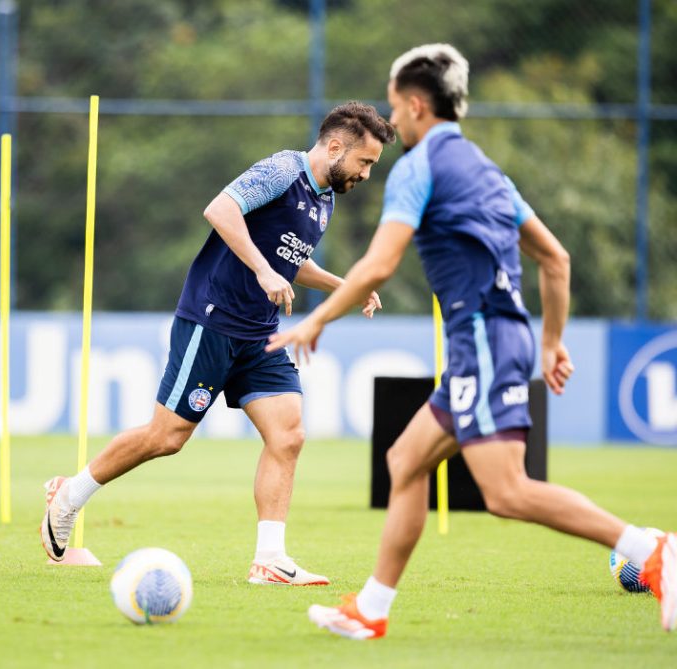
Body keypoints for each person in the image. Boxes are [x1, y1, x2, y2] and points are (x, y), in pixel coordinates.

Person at [267, 43, 676, 636]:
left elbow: (380, 264)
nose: (394, 121)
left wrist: (317, 319)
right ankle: (372, 611)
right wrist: (551, 342)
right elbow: (555, 260)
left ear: (414, 104)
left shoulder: (417, 166)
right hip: (494, 339)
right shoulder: (487, 170)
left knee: (507, 492)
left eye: (394, 107)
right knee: (405, 462)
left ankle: (652, 550)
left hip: (482, 339)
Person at [41, 101, 397, 585]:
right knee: (167, 437)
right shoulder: (281, 170)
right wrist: (263, 269)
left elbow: (292, 261)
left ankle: (269, 559)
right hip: (212, 319)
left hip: (260, 333)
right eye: (365, 162)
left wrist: (346, 286)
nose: (367, 173)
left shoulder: (324, 198)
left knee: (288, 435)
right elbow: (220, 208)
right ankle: (69, 494)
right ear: (335, 147)